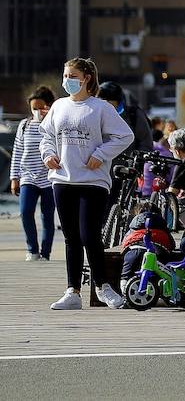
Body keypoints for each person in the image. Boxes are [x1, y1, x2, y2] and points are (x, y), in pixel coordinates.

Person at [38, 57, 135, 311]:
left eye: (72, 76)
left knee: (89, 235)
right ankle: (72, 291)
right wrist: (48, 155)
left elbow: (125, 136)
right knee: (71, 237)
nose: (67, 80)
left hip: (93, 181)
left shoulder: (100, 108)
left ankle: (103, 287)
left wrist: (100, 154)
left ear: (86, 78)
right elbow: (46, 135)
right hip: (62, 179)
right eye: (65, 75)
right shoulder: (59, 106)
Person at [10, 86, 57, 262]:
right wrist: (14, 178)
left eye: (41, 108)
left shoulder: (55, 124)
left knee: (47, 216)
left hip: (49, 179)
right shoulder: (24, 125)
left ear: (49, 106)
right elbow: (17, 151)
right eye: (34, 108)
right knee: (25, 211)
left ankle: (45, 253)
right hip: (28, 176)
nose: (38, 112)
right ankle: (32, 250)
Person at [97, 80, 153, 153]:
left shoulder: (133, 115)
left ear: (118, 102)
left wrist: (137, 161)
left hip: (128, 163)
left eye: (109, 103)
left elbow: (145, 143)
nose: (106, 107)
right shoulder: (94, 116)